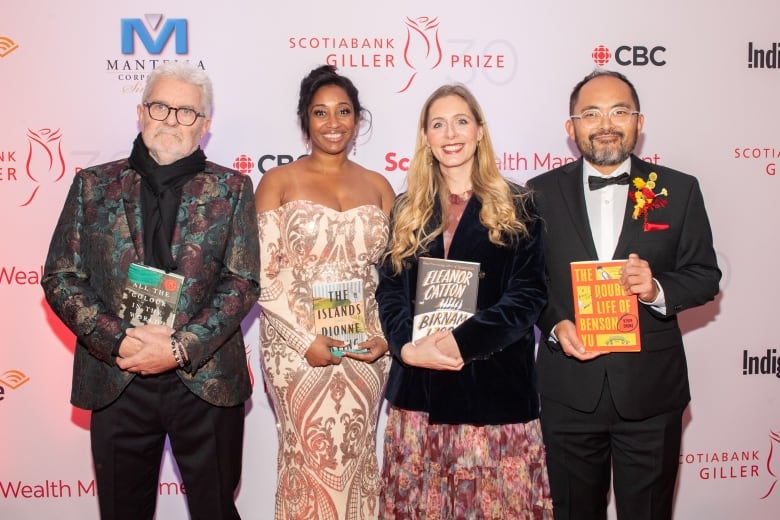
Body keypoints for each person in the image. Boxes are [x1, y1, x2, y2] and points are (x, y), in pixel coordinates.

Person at [41, 62, 260, 520]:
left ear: (205, 124)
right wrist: (120, 340)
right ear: (141, 112)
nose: (170, 120)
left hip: (206, 380)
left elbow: (242, 281)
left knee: (216, 511)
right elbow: (61, 276)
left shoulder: (233, 188)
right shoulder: (92, 185)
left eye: (186, 112)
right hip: (116, 377)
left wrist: (180, 347)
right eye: (161, 106)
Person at [526, 70, 721, 520]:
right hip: (569, 392)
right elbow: (528, 283)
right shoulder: (538, 194)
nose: (606, 123)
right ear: (570, 128)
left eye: (619, 111)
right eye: (591, 113)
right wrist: (555, 324)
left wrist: (656, 289)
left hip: (651, 395)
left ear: (639, 122)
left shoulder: (679, 190)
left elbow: (705, 275)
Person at [376, 84, 553, 519]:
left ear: (479, 132)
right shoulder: (406, 209)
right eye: (438, 124)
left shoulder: (520, 206)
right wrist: (407, 347)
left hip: (494, 397)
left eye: (460, 121)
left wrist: (461, 342)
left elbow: (528, 295)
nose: (450, 133)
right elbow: (390, 291)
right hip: (419, 396)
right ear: (425, 137)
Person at [254, 64, 395, 519]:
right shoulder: (278, 182)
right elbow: (262, 275)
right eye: (320, 112)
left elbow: (395, 277)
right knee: (307, 462)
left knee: (358, 459)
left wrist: (388, 336)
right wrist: (304, 340)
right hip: (297, 350)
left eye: (344, 111)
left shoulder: (379, 186)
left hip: (366, 348)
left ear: (358, 119)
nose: (333, 123)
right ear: (304, 121)